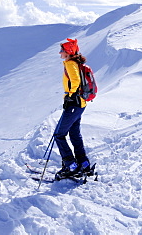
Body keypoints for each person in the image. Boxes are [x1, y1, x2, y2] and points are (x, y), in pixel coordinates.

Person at [55, 38, 91, 178]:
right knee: (74, 134)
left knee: (59, 135)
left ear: (68, 52)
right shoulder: (77, 62)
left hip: (74, 104)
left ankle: (71, 166)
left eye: (62, 51)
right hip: (80, 104)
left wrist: (70, 96)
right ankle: (84, 164)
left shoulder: (70, 63)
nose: (60, 53)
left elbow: (75, 80)